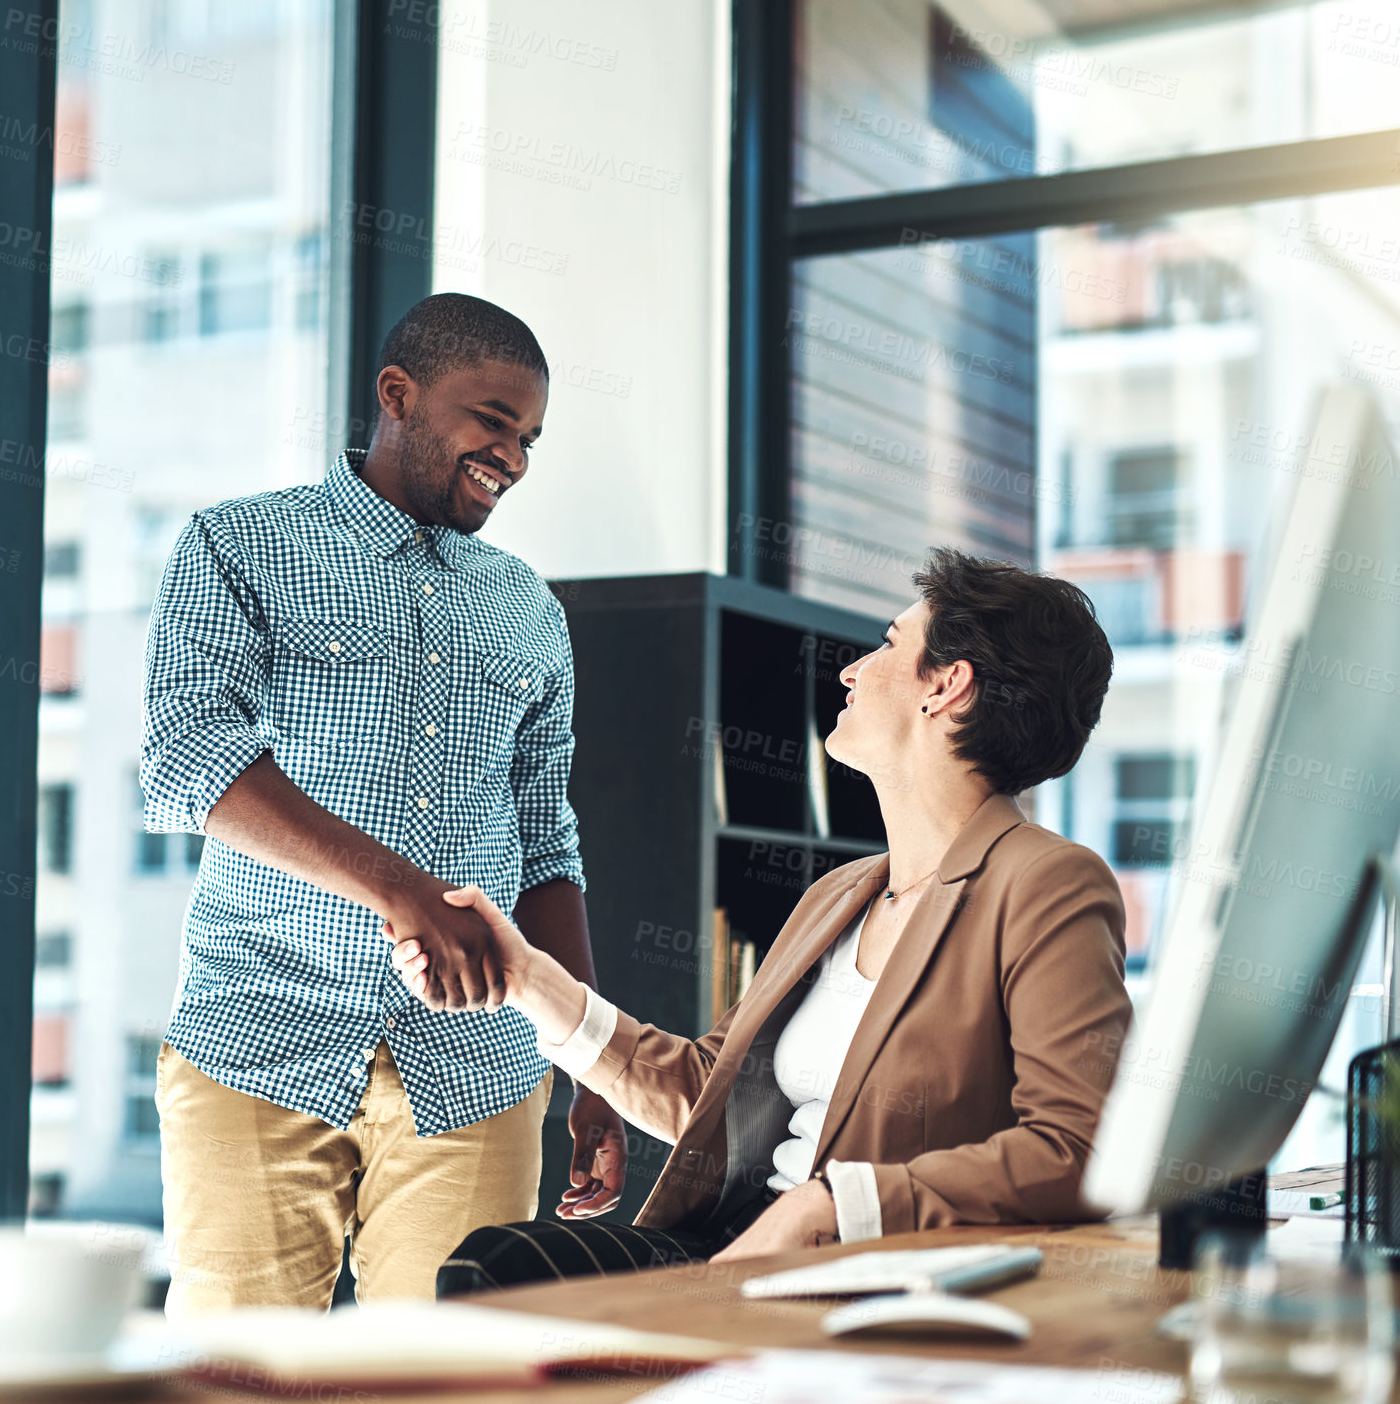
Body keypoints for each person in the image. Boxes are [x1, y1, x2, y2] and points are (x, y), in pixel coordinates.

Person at [388, 547, 1135, 1290]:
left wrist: (834, 1205)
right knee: (494, 1267)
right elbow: (706, 1092)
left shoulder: (1047, 884)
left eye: (888, 644)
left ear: (945, 685)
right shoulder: (838, 895)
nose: (852, 671)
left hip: (850, 1269)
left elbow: (1079, 1146)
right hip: (733, 1240)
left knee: (495, 1281)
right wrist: (525, 977)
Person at [140, 293, 627, 1314]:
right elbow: (190, 755)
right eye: (493, 420)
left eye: (530, 437)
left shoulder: (529, 608)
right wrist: (401, 891)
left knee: (449, 1380)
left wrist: (594, 1061)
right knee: (239, 1383)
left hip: (480, 1065)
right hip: (257, 1034)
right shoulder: (238, 544)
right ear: (398, 394)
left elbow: (545, 839)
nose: (514, 459)